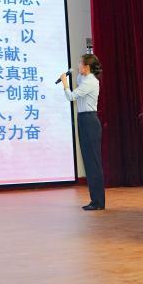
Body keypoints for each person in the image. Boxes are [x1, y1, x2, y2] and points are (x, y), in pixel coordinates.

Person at [62, 54, 104, 211]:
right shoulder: (84, 78)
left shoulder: (91, 82)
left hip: (89, 120)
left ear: (87, 67)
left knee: (93, 162)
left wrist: (65, 83)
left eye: (80, 63)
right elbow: (79, 78)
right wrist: (76, 73)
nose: (78, 65)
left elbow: (71, 96)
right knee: (88, 161)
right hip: (83, 120)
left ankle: (98, 201)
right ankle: (95, 200)